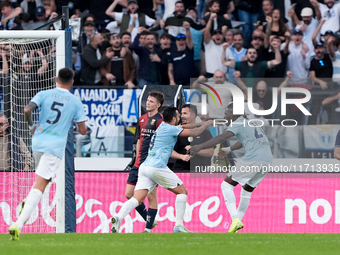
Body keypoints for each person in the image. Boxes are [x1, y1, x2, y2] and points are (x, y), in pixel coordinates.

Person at [8, 67, 87, 240]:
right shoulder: (75, 102)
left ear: (56, 79)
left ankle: (27, 201)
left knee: (43, 179)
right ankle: (18, 224)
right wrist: (78, 123)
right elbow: (82, 130)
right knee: (41, 185)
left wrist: (30, 127)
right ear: (72, 82)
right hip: (54, 146)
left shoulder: (44, 93)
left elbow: (27, 110)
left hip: (37, 141)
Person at [111, 107, 212, 233]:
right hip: (157, 167)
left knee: (137, 199)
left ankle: (118, 217)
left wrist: (201, 123)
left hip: (145, 167)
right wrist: (206, 124)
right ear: (174, 118)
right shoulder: (171, 129)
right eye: (178, 116)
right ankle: (179, 225)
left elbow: (183, 126)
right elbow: (196, 133)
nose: (180, 118)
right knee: (182, 192)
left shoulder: (162, 126)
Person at [189, 103, 273, 233]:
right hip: (267, 159)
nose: (225, 116)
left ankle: (235, 219)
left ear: (233, 113)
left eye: (226, 113)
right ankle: (235, 225)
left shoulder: (237, 122)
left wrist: (200, 146)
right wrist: (229, 149)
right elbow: (243, 141)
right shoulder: (249, 122)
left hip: (254, 158)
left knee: (226, 185)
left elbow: (222, 137)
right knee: (246, 190)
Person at [125, 91, 164, 233]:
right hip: (138, 163)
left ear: (158, 105)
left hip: (151, 164)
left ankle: (148, 229)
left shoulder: (160, 120)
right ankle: (150, 219)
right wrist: (136, 159)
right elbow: (139, 140)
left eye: (151, 101)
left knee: (152, 195)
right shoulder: (141, 119)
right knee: (129, 194)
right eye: (147, 100)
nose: (148, 103)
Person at [172, 104, 213, 171]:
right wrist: (181, 156)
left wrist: (195, 150)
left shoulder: (205, 132)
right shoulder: (177, 131)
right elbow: (170, 150)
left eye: (185, 113)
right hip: (180, 169)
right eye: (181, 114)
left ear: (193, 115)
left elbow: (211, 152)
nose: (182, 116)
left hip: (199, 170)